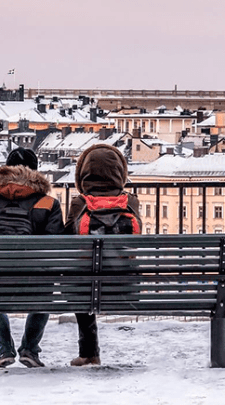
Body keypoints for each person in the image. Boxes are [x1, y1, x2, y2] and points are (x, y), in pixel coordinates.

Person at [0, 148, 64, 369]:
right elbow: (55, 244)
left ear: (5, 169)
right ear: (35, 172)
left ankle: (4, 349)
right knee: (45, 293)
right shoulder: (48, 203)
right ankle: (30, 350)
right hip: (35, 282)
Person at [64, 144, 143, 367]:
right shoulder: (130, 201)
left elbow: (68, 238)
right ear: (120, 172)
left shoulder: (80, 202)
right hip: (125, 281)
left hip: (86, 285)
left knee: (80, 285)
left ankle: (89, 353)